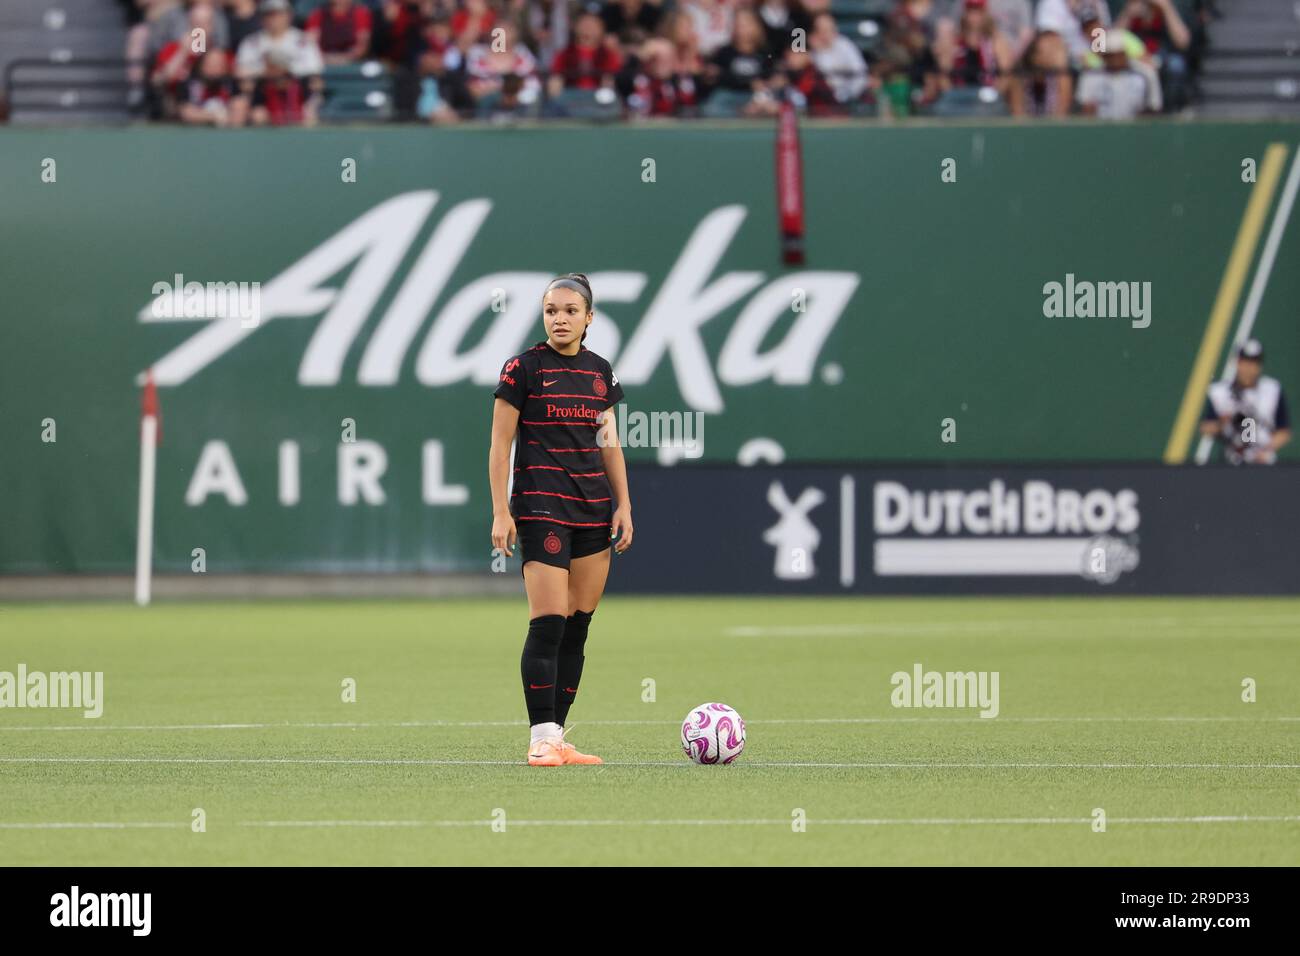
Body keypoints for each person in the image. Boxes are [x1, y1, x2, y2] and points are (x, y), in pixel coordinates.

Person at [490, 274, 634, 767]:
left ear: (589, 318)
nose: (560, 318)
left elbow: (609, 442)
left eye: (571, 310)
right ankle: (540, 738)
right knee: (548, 623)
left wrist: (624, 504)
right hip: (540, 507)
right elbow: (499, 444)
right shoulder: (522, 369)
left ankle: (558, 736)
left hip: (592, 510)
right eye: (552, 310)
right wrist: (501, 510)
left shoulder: (600, 374)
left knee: (578, 627)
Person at [1200, 339, 1292, 465]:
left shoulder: (1273, 390)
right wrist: (1223, 422)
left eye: (1254, 363)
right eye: (1245, 362)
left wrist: (1264, 450)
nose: (1249, 368)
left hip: (1264, 461)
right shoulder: (1220, 393)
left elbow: (1284, 431)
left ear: (1260, 365)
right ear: (1237, 362)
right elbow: (1206, 426)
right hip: (1231, 459)